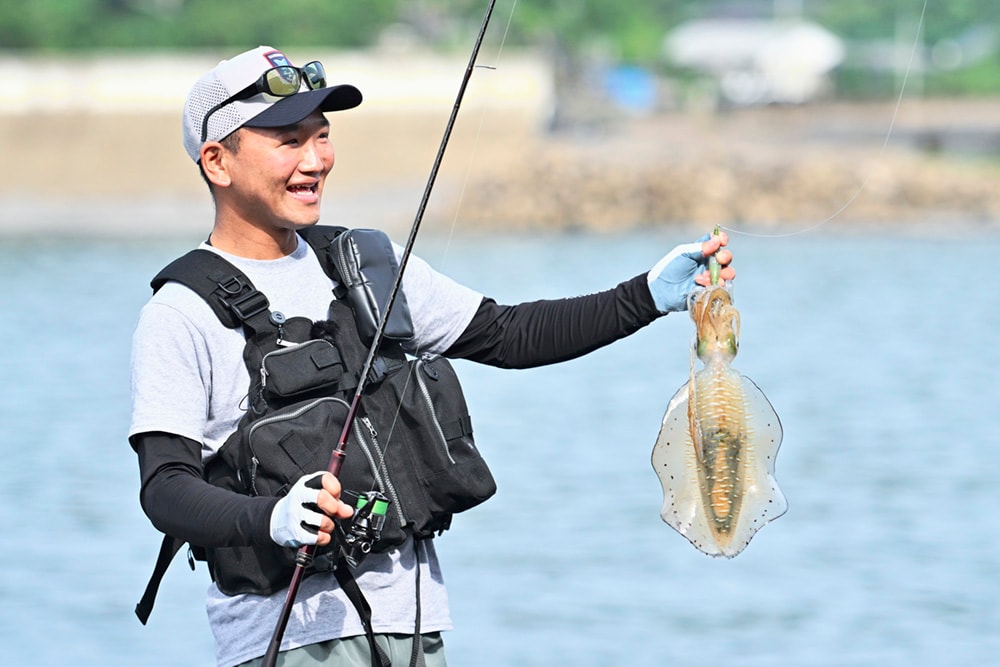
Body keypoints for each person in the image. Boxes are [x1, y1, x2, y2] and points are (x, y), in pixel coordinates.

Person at [129, 45, 735, 667]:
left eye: (323, 135)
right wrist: (272, 519)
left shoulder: (364, 265)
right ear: (217, 161)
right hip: (283, 643)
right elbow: (166, 488)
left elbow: (509, 335)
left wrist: (645, 296)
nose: (316, 159)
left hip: (415, 633)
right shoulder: (180, 313)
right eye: (288, 140)